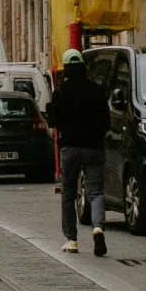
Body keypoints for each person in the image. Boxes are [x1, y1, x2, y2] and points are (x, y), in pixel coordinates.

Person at [48, 48, 109, 256]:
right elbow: (106, 120)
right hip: (93, 148)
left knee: (68, 193)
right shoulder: (95, 89)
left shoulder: (60, 91)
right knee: (96, 192)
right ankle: (98, 227)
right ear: (83, 66)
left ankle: (71, 240)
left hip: (70, 149)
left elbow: (53, 121)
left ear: (66, 68)